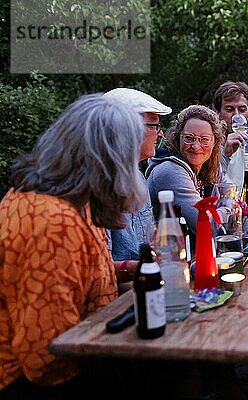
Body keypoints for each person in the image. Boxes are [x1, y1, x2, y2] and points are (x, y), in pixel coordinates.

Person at [0, 94, 147, 399]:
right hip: (24, 381)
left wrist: (125, 270)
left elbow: (74, 275)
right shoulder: (52, 220)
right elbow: (47, 359)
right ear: (110, 160)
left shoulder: (72, 201)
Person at [103, 87, 172, 283]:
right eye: (155, 126)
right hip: (114, 300)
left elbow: (147, 243)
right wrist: (145, 269)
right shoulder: (99, 184)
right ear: (129, 128)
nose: (160, 135)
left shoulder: (138, 177)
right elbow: (99, 268)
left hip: (142, 285)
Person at [146, 105, 225, 233]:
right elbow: (205, 224)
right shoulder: (170, 171)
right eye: (189, 138)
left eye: (204, 139)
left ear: (215, 142)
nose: (196, 146)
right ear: (178, 138)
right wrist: (229, 208)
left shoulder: (210, 167)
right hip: (165, 250)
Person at [213, 81, 248, 190]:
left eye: (242, 110)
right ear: (218, 113)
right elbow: (206, 183)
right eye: (229, 109)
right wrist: (225, 155)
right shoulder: (208, 145)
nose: (237, 116)